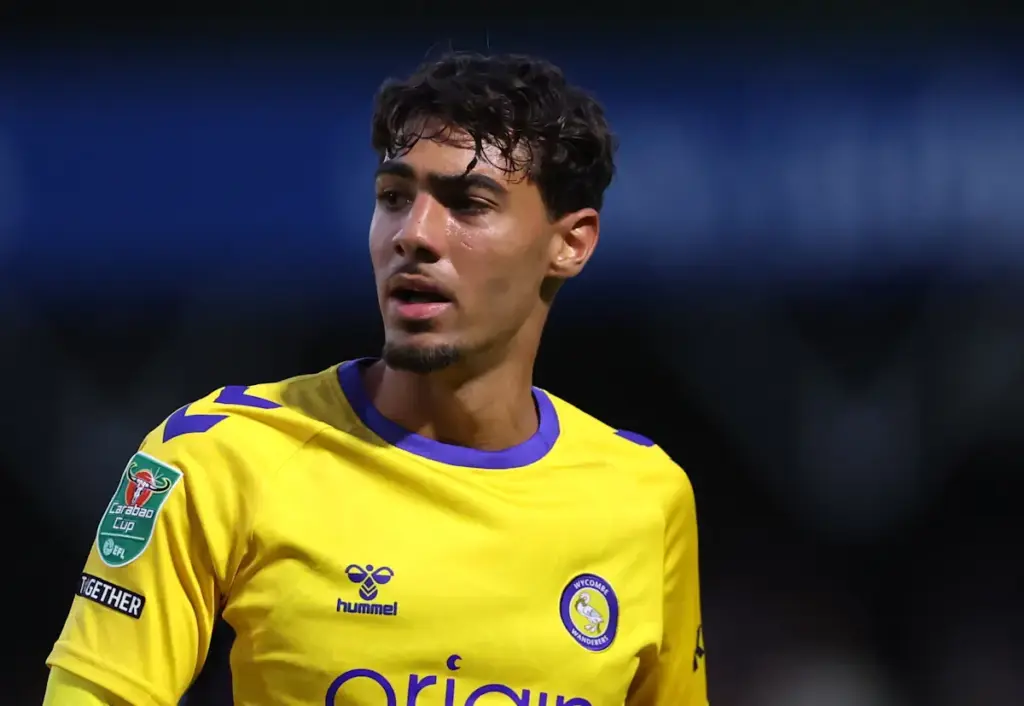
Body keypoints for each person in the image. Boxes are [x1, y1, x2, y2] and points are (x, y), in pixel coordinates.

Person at [43, 52, 708, 706]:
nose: (413, 234)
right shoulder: (216, 458)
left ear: (572, 243)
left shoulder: (645, 500)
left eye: (469, 204)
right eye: (393, 197)